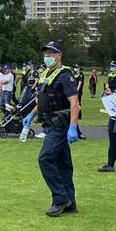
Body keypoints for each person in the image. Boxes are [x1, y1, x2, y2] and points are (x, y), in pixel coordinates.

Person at [22, 41, 81, 217]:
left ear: (59, 55)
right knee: (63, 165)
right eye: (45, 53)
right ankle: (70, 203)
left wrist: (73, 126)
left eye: (51, 53)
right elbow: (43, 100)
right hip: (49, 123)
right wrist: (31, 115)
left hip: (60, 125)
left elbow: (75, 103)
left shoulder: (65, 75)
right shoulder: (47, 73)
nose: (47, 56)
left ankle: (60, 199)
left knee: (45, 158)